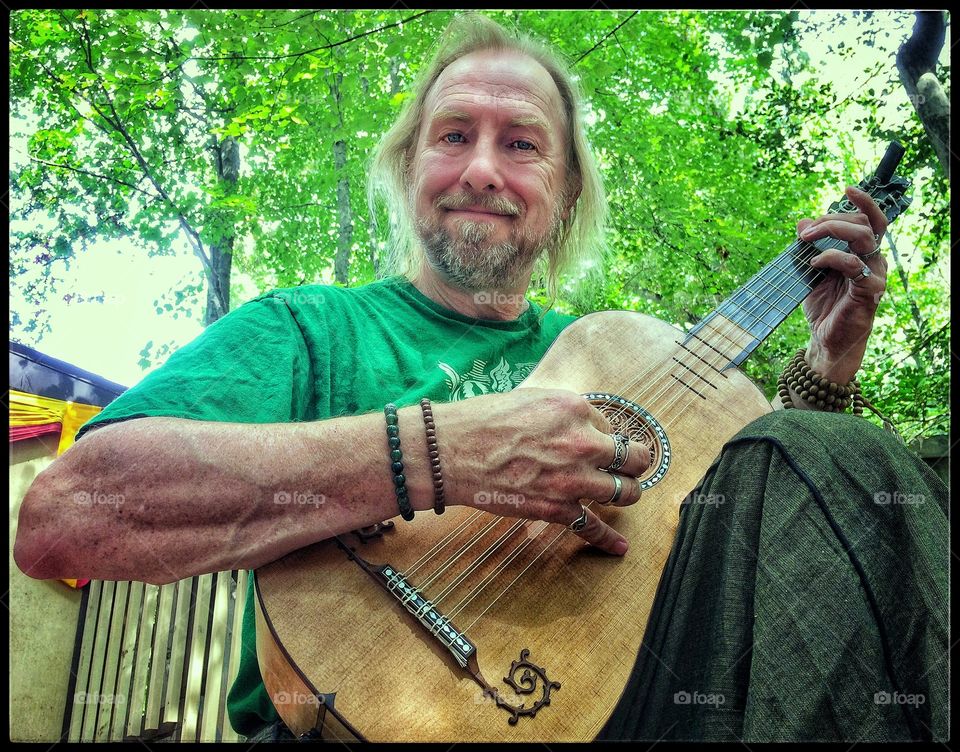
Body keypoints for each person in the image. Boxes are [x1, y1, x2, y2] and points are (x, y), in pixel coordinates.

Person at [14, 13, 946, 743]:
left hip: (634, 717)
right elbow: (68, 521)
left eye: (523, 144)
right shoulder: (309, 328)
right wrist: (435, 451)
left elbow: (764, 566)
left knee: (847, 453)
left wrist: (823, 377)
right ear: (409, 168)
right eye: (453, 135)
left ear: (568, 192)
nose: (482, 170)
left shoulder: (615, 351)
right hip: (329, 717)